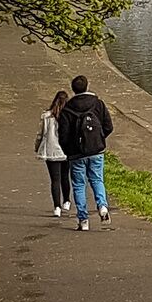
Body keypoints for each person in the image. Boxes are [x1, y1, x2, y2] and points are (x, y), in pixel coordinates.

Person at [55, 76, 114, 230]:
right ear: (87, 86)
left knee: (79, 185)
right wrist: (98, 140)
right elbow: (108, 126)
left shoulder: (67, 109)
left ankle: (83, 220)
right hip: (96, 151)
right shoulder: (98, 104)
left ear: (73, 89)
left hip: (76, 154)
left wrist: (69, 151)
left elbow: (63, 135)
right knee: (97, 180)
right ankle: (102, 206)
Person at [35, 86, 74, 217]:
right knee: (65, 176)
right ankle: (67, 201)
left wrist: (37, 147)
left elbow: (40, 134)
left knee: (55, 180)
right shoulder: (69, 116)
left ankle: (56, 206)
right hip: (65, 151)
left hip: (51, 151)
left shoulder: (46, 116)